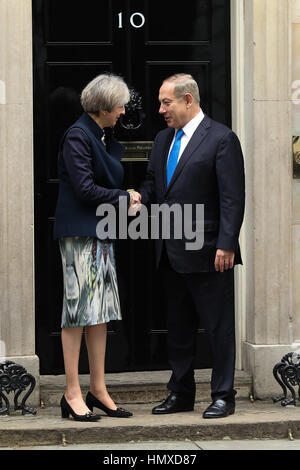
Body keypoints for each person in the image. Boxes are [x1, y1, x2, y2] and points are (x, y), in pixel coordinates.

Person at [138, 73, 245, 419]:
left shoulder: (221, 138)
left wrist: (227, 244)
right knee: (179, 328)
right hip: (169, 251)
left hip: (210, 252)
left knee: (218, 327)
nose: (160, 110)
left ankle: (223, 395)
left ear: (188, 100)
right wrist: (138, 198)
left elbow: (232, 197)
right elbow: (155, 183)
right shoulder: (161, 139)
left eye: (166, 102)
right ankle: (181, 392)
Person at [53, 73, 139, 421]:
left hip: (99, 233)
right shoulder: (77, 136)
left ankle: (98, 389)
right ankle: (72, 392)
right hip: (79, 234)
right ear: (103, 106)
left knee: (100, 313)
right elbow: (86, 189)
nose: (122, 111)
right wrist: (125, 196)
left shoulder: (98, 134)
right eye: (119, 105)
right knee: (77, 313)